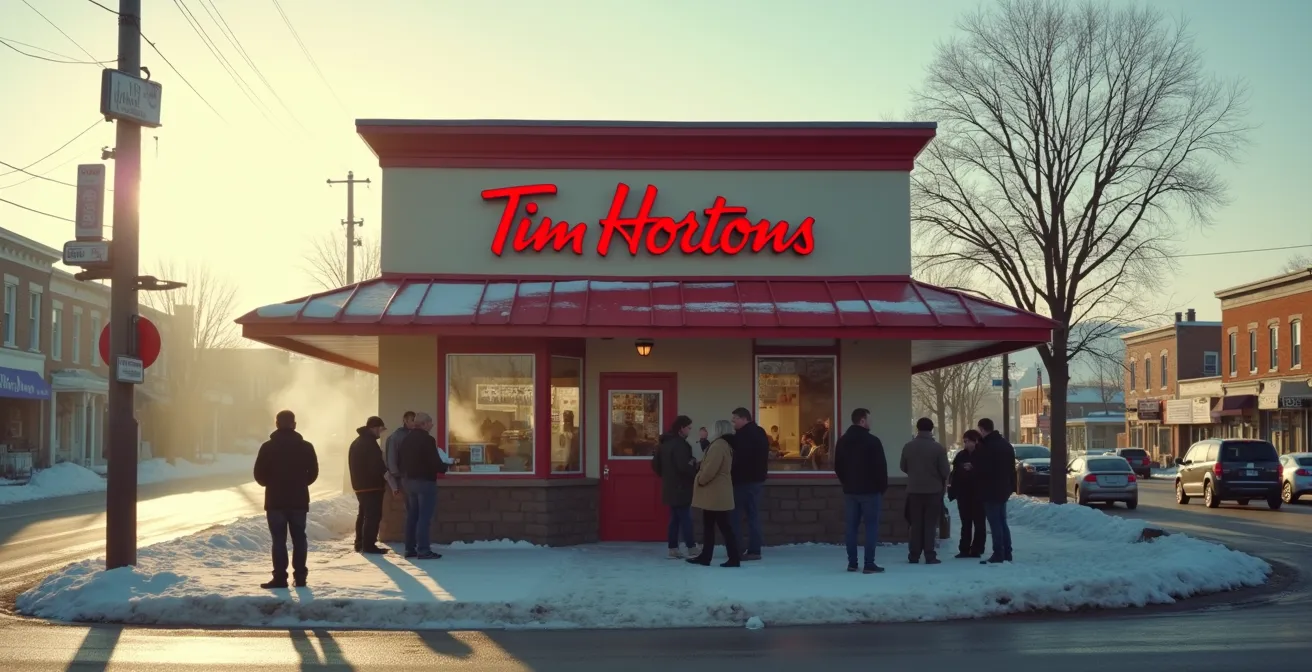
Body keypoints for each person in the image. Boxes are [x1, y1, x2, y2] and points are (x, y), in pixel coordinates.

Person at [253, 410, 319, 589]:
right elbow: (313, 473)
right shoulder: (306, 447)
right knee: (299, 538)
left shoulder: (267, 447)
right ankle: (301, 577)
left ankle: (280, 578)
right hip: (298, 500)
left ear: (276, 424)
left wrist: (271, 484)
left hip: (275, 501)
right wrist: (300, 484)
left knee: (278, 540)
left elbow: (258, 474)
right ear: (294, 424)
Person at [832, 407, 888, 573]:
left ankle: (852, 562)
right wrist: (881, 488)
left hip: (850, 491)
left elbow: (838, 466)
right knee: (871, 527)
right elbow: (881, 468)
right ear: (862, 420)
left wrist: (846, 482)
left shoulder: (842, 441)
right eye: (869, 419)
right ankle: (869, 563)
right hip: (870, 491)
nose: (871, 422)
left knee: (851, 527)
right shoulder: (873, 441)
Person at [398, 412, 455, 559]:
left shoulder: (406, 438)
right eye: (430, 422)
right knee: (424, 517)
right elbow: (434, 462)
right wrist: (446, 466)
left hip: (409, 481)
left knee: (412, 516)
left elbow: (400, 460)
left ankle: (409, 548)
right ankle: (423, 550)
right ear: (423, 424)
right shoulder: (427, 440)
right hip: (425, 482)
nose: (432, 425)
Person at [687, 419, 740, 568]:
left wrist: (701, 480)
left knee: (721, 526)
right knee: (713, 525)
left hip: (715, 491)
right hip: (718, 491)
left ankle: (731, 557)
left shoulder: (718, 445)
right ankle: (707, 556)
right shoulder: (725, 445)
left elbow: (711, 468)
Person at [900, 417, 950, 564]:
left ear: (917, 429)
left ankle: (913, 555)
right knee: (930, 524)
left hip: (914, 491)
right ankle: (930, 554)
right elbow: (945, 470)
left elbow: (903, 466)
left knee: (915, 524)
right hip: (933, 491)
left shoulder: (908, 447)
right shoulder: (938, 448)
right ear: (931, 429)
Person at [652, 415, 699, 559]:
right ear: (681, 428)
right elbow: (683, 466)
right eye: (689, 428)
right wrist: (694, 467)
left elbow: (656, 466)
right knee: (685, 518)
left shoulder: (663, 444)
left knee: (674, 519)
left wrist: (666, 476)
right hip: (682, 487)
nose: (690, 431)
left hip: (669, 486)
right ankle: (691, 547)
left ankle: (673, 548)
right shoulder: (680, 445)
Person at [729, 407, 769, 561]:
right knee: (753, 515)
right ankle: (754, 549)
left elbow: (739, 460)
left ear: (744, 418)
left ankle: (737, 549)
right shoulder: (760, 433)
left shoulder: (743, 436)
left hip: (742, 481)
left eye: (735, 419)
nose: (733, 423)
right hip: (757, 480)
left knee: (736, 516)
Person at [975, 418, 1016, 564]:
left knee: (994, 522)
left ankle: (998, 552)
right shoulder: (1006, 445)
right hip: (1003, 488)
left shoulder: (987, 446)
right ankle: (1007, 552)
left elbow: (983, 469)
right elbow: (1012, 468)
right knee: (1002, 521)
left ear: (982, 429)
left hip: (990, 488)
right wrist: (1011, 486)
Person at [349, 416, 390, 555]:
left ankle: (359, 542)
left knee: (363, 514)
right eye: (380, 429)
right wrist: (385, 476)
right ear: (373, 427)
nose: (381, 432)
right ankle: (369, 545)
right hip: (372, 486)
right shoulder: (370, 443)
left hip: (360, 485)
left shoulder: (357, 442)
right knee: (373, 515)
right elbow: (376, 466)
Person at [949, 429, 988, 559]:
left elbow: (986, 473)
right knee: (965, 523)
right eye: (964, 442)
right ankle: (964, 549)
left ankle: (977, 549)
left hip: (979, 493)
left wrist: (973, 469)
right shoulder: (961, 455)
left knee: (979, 523)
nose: (965, 444)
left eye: (968, 441)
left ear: (975, 441)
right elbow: (954, 473)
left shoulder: (983, 455)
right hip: (964, 493)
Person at [385, 411, 416, 495]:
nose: (415, 423)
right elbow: (391, 455)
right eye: (412, 420)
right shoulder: (396, 437)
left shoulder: (416, 435)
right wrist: (395, 473)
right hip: (402, 475)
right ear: (405, 421)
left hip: (414, 475)